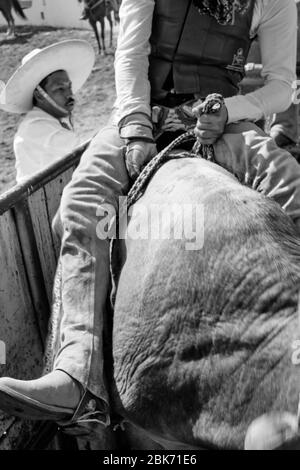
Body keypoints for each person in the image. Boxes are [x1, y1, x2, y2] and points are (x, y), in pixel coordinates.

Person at [1, 0, 300, 445]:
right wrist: (138, 126)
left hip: (221, 123)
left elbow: (279, 85)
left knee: (288, 180)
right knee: (82, 206)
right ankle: (78, 370)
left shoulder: (274, 2)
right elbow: (131, 54)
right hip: (142, 114)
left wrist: (228, 110)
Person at [0, 40, 95, 183]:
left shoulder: (46, 121)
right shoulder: (36, 128)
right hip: (45, 203)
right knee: (120, 194)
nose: (69, 93)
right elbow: (88, 151)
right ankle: (124, 206)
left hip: (54, 196)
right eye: (60, 89)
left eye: (69, 86)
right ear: (39, 95)